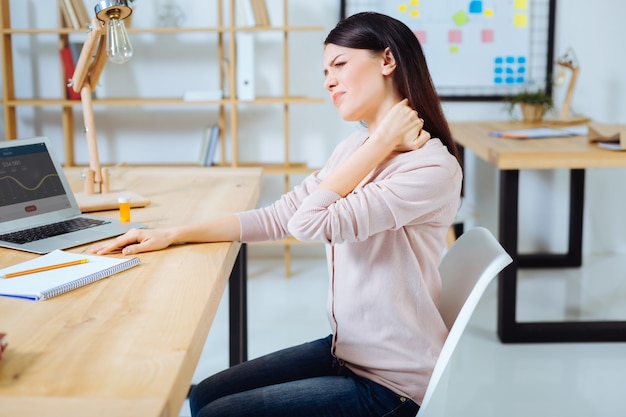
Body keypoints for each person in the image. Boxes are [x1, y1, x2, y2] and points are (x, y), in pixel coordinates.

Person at [93, 11, 462, 417]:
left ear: (387, 61)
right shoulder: (353, 150)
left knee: (218, 413)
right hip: (348, 349)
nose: (328, 81)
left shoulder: (430, 169)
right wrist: (174, 233)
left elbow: (309, 224)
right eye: (325, 71)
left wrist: (379, 145)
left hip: (391, 386)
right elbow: (282, 214)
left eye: (340, 64)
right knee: (202, 396)